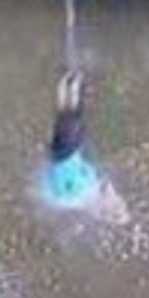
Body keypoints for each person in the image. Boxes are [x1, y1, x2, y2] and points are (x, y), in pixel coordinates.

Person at [45, 70, 100, 203]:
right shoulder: (61, 189)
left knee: (73, 114)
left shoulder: (78, 190)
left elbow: (87, 172)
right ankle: (65, 83)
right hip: (56, 154)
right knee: (63, 114)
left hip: (68, 151)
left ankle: (74, 83)